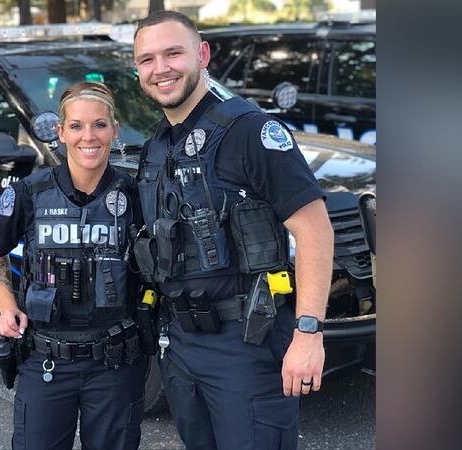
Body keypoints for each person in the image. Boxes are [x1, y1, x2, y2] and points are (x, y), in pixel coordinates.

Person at [132, 11, 334, 450]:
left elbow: (314, 229)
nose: (160, 68)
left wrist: (308, 333)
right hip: (181, 345)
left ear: (202, 54)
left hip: (248, 343)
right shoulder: (157, 146)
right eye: (147, 59)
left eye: (173, 53)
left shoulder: (251, 131)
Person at [0, 82, 147, 450]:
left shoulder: (136, 195)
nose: (88, 136)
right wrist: (7, 307)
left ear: (115, 130)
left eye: (99, 125)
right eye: (76, 126)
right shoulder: (29, 193)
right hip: (46, 359)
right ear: (60, 132)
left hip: (116, 363)